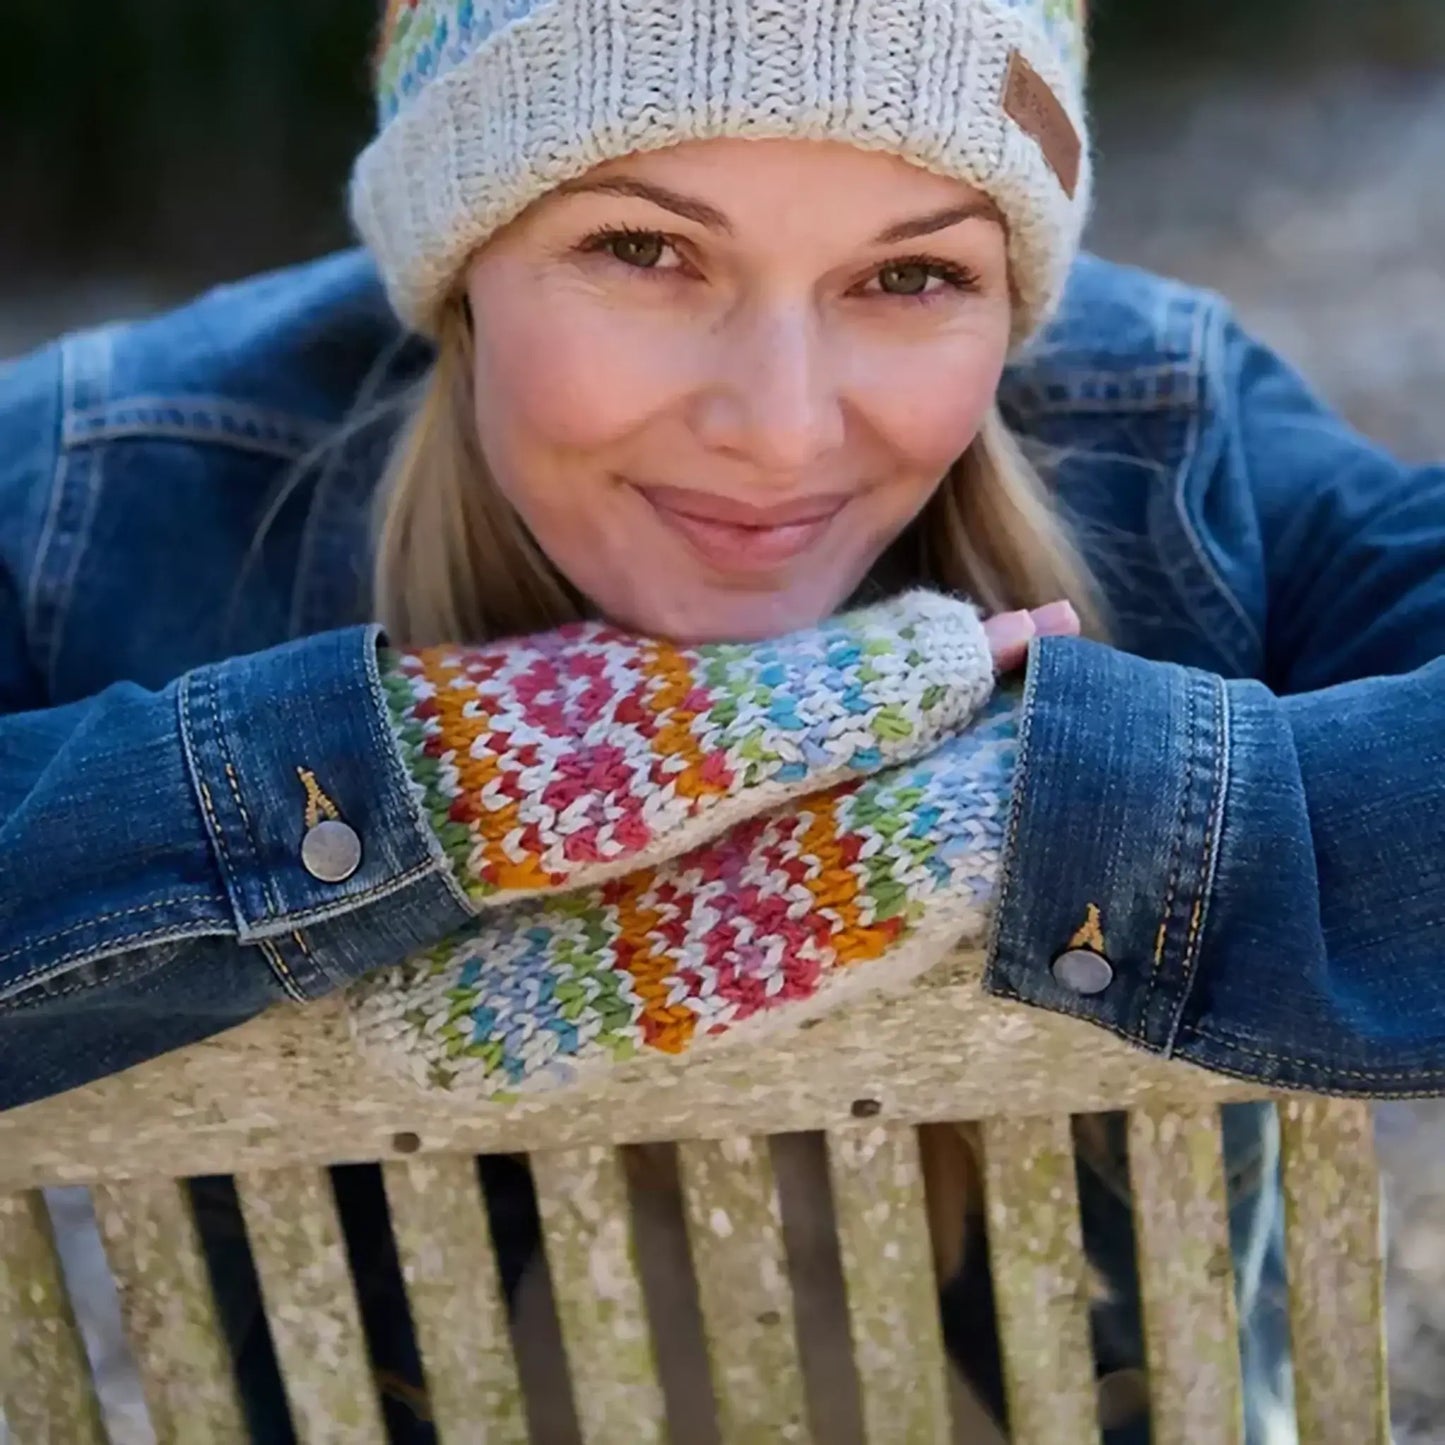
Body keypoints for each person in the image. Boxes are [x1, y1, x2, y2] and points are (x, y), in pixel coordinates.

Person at [2, 0, 1443, 1439]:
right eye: (643, 249)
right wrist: (435, 774)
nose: (781, 424)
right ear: (460, 261)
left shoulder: (1167, 435)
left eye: (912, 273)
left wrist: (1019, 814)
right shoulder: (111, 482)